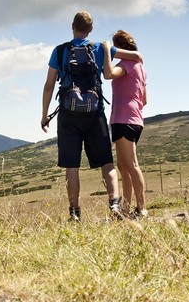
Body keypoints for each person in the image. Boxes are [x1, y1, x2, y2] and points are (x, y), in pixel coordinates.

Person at [41, 12, 141, 222]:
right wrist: (123, 54)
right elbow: (135, 56)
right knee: (106, 163)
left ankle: (75, 213)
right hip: (95, 114)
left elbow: (49, 85)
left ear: (72, 27)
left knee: (72, 166)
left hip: (68, 115)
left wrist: (45, 115)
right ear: (91, 29)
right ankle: (114, 204)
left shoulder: (59, 52)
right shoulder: (98, 48)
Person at [102, 30, 148, 218]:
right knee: (123, 166)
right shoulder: (141, 68)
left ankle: (142, 208)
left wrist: (106, 51)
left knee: (132, 165)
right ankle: (127, 208)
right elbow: (144, 100)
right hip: (135, 119)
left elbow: (109, 74)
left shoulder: (127, 64)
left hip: (123, 118)